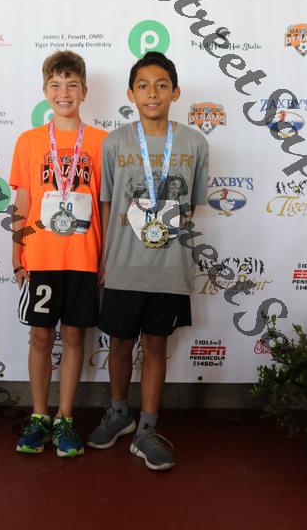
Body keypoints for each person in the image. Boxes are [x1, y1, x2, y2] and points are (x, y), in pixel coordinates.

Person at [87, 51, 209, 470]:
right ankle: (119, 414)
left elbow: (191, 206)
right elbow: (106, 204)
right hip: (123, 265)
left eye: (161, 85)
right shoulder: (114, 142)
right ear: (130, 94)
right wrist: (105, 259)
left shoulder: (194, 142)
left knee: (156, 346)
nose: (152, 93)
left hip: (170, 268)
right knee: (120, 344)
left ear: (175, 92)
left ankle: (147, 429)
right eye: (143, 85)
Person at [10, 50, 107, 457]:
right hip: (42, 256)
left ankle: (65, 417)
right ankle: (38, 415)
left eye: (71, 84)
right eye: (55, 84)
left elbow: (104, 204)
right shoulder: (29, 141)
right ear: (44, 90)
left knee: (74, 336)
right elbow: (23, 201)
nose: (63, 92)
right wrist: (17, 252)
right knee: (40, 335)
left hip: (83, 256)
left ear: (84, 90)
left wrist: (105, 257)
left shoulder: (101, 142)